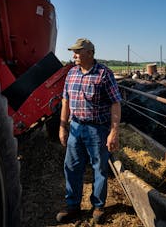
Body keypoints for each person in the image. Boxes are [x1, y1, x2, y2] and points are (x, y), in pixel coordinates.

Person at [56, 38, 122, 224]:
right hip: (76, 127)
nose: (74, 55)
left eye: (78, 51)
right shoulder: (71, 74)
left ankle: (99, 206)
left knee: (99, 168)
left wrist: (114, 131)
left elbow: (115, 103)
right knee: (71, 167)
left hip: (97, 129)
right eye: (73, 52)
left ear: (90, 53)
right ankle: (73, 206)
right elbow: (65, 101)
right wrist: (62, 127)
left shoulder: (104, 74)